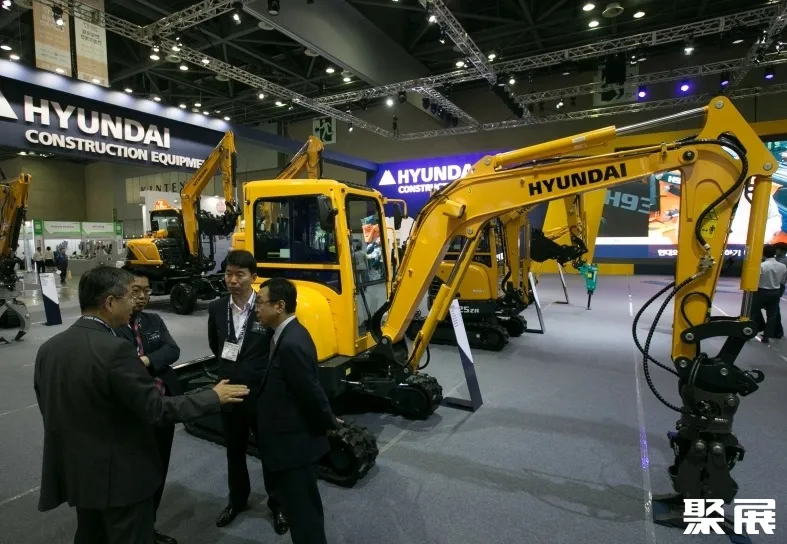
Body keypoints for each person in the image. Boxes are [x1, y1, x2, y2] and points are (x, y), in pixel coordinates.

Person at [33, 266, 250, 544]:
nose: (135, 302)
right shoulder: (115, 350)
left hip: (79, 472)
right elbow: (156, 409)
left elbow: (49, 407)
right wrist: (213, 396)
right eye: (129, 296)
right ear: (110, 303)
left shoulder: (50, 348)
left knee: (90, 534)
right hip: (120, 477)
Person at [255, 277, 341, 544]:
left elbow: (310, 391)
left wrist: (329, 423)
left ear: (279, 306)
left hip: (296, 447)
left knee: (304, 514)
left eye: (260, 303)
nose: (257, 309)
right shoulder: (288, 334)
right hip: (291, 441)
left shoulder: (291, 343)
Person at [208, 249, 287, 533]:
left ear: (253, 277)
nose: (232, 280)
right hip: (229, 392)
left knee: (270, 451)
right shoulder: (217, 308)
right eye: (228, 274)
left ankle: (278, 505)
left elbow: (279, 348)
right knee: (234, 451)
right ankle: (237, 499)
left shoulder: (266, 307)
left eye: (239, 275)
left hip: (261, 394)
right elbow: (215, 345)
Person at [115, 271, 182, 544]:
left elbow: (172, 350)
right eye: (136, 291)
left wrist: (145, 361)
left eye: (146, 291)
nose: (142, 296)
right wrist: (154, 359)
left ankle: (148, 527)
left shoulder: (153, 320)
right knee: (133, 476)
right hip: (133, 414)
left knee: (159, 469)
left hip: (163, 407)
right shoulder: (112, 326)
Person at [751, 245, 787, 344]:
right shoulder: (783, 266)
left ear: (763, 254)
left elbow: (756, 279)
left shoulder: (762, 266)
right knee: (772, 315)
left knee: (753, 312)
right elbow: (783, 281)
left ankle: (753, 330)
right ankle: (767, 336)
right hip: (775, 292)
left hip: (761, 291)